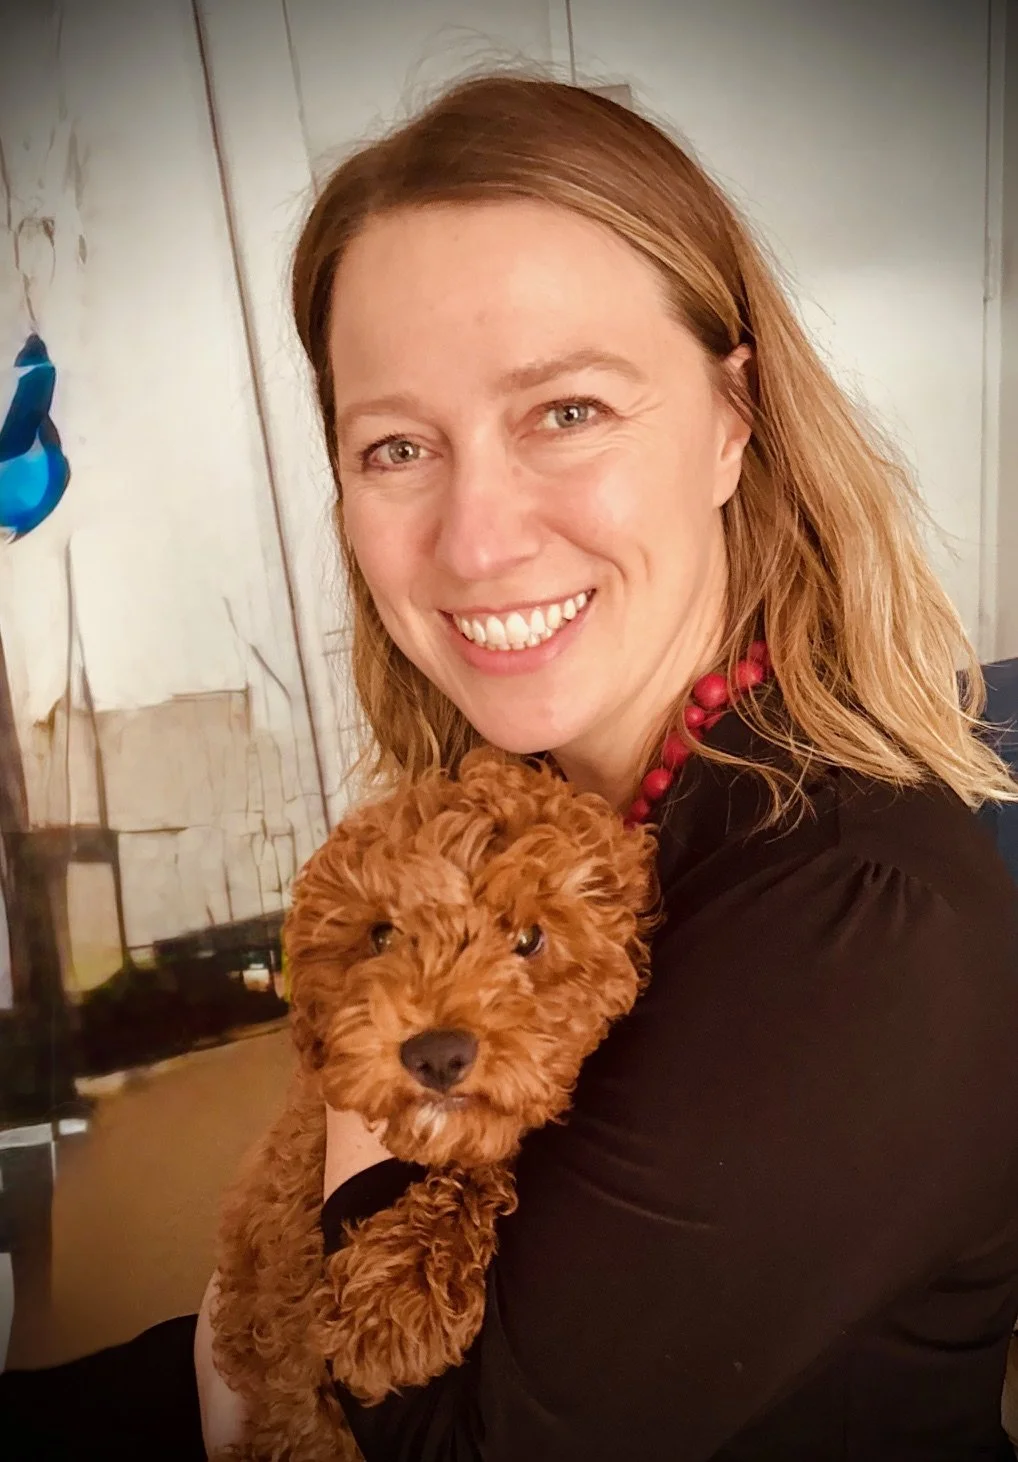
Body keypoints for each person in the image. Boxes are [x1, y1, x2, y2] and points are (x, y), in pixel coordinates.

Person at [4, 67, 1018, 1462]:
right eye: (399, 444)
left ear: (734, 418)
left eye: (566, 411)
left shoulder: (858, 918)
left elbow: (448, 1436)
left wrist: (357, 1146)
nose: (476, 539)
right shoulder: (559, 809)